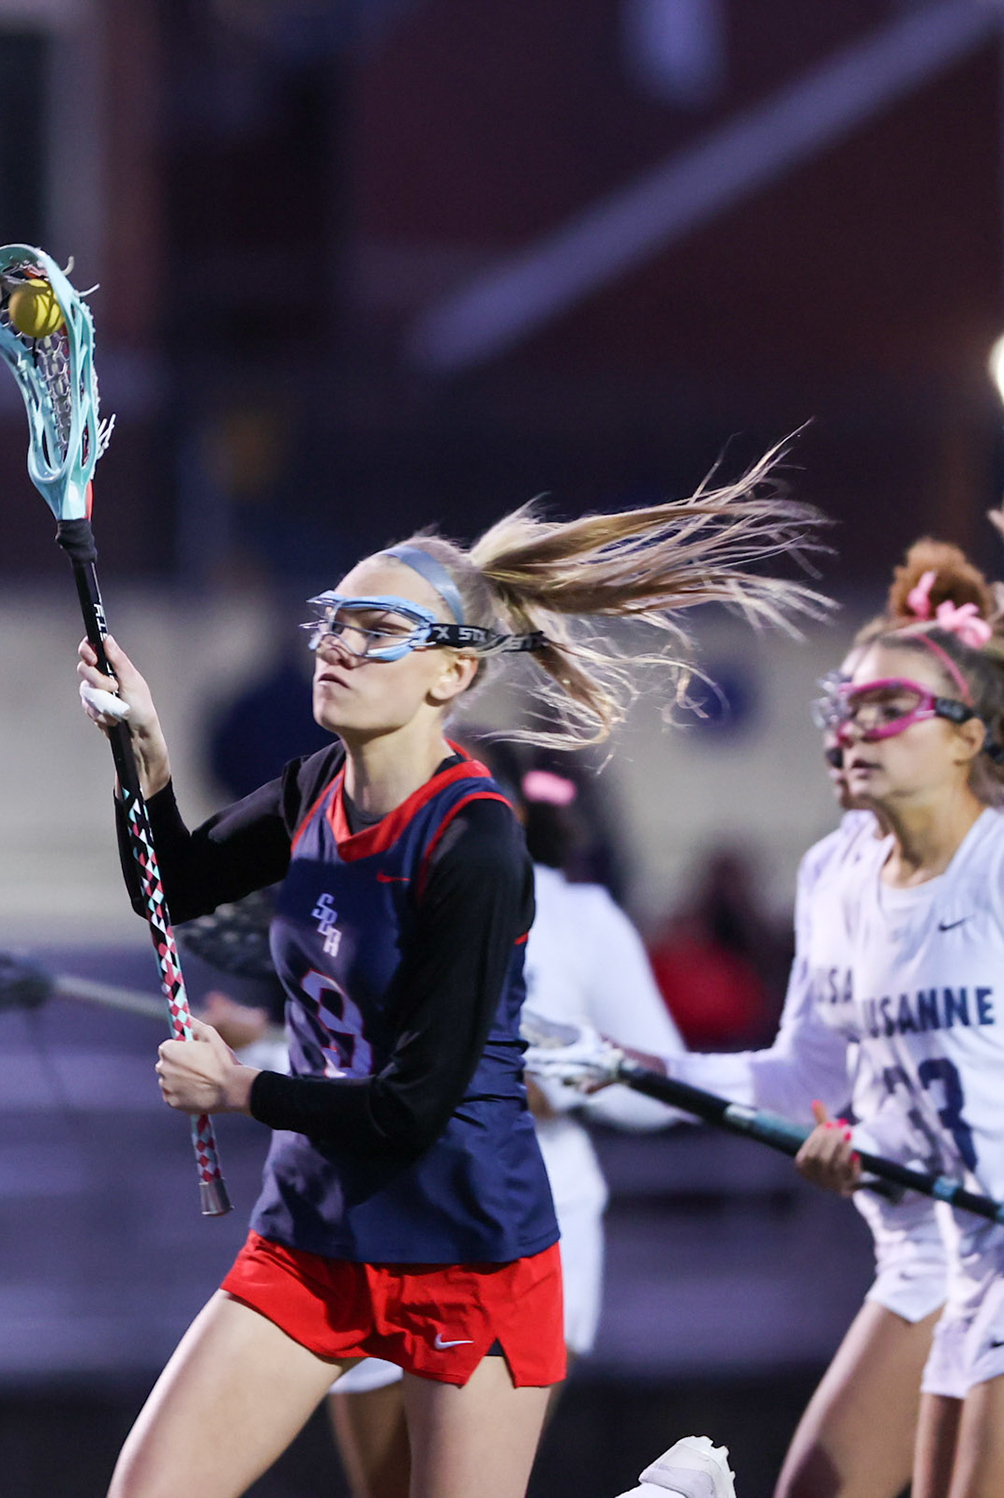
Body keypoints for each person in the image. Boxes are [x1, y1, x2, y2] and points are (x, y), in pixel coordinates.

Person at [75, 459, 822, 1498]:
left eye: (377, 629)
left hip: (467, 1251)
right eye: (335, 618)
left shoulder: (474, 841)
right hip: (314, 1240)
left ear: (450, 677)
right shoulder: (316, 787)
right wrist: (142, 757)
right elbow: (174, 885)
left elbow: (415, 1106)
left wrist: (241, 1085)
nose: (337, 642)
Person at [537, 431, 1004, 1498]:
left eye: (886, 709)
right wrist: (623, 1063)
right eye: (841, 707)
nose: (851, 728)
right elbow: (801, 1080)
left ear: (964, 737)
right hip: (939, 1244)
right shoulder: (831, 875)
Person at [326, 748, 689, 1498]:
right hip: (380, 1225)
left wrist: (562, 1086)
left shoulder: (579, 915)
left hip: (522, 1226)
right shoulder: (370, 901)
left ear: (510, 807)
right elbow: (351, 1062)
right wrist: (246, 1050)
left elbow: (661, 1086)